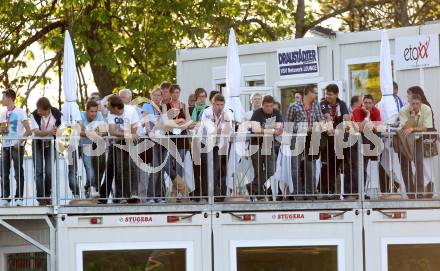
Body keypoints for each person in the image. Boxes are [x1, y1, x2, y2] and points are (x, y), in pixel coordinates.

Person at [287, 85, 323, 198]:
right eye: (314, 93)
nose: (316, 95)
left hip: (312, 138)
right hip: (297, 138)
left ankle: (310, 192)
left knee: (310, 166)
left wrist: (321, 126)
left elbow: (320, 119)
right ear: (307, 93)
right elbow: (288, 125)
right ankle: (298, 193)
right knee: (295, 167)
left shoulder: (316, 105)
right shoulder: (293, 106)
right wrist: (302, 129)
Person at [398, 90, 434, 198]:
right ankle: (410, 192)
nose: (415, 106)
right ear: (409, 103)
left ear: (421, 103)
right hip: (404, 139)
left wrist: (413, 128)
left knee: (419, 162)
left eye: (417, 104)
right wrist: (412, 116)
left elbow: (426, 128)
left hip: (418, 138)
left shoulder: (426, 109)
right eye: (412, 104)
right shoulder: (403, 110)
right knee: (405, 165)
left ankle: (419, 191)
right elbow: (405, 128)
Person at [0, 89, 31, 207]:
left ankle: (19, 198)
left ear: (9, 98)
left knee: (18, 172)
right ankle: (5, 197)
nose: (2, 100)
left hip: (16, 147)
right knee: (4, 173)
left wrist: (20, 142)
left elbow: (28, 131)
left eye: (3, 97)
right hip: (5, 146)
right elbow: (1, 130)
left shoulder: (20, 112)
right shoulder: (3, 114)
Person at [107, 95, 140, 203]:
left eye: (109, 107)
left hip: (131, 142)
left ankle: (134, 194)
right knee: (120, 168)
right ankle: (121, 196)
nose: (108, 108)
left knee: (132, 166)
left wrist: (124, 134)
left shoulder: (131, 111)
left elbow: (134, 132)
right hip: (118, 142)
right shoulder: (111, 113)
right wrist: (127, 134)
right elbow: (112, 132)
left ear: (115, 107)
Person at [162, 84, 193, 202]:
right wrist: (180, 120)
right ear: (170, 93)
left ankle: (175, 195)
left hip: (182, 139)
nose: (176, 94)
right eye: (174, 92)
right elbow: (166, 123)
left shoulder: (184, 106)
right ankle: (183, 189)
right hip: (169, 139)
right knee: (166, 164)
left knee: (180, 167)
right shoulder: (166, 106)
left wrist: (180, 123)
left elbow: (189, 122)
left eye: (178, 92)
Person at [249, 95, 283, 199]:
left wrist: (264, 130)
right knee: (258, 170)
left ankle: (252, 186)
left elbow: (279, 130)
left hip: (269, 144)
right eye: (267, 106)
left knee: (271, 169)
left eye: (271, 106)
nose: (269, 108)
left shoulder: (276, 112)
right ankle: (259, 195)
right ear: (262, 106)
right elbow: (256, 130)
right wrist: (272, 130)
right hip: (256, 144)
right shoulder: (257, 113)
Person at [200, 94, 233, 199]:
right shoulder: (207, 112)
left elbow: (228, 130)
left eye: (222, 104)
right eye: (217, 104)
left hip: (220, 144)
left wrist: (224, 127)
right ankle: (208, 196)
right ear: (212, 104)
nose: (220, 107)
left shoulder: (227, 111)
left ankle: (217, 194)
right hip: (206, 143)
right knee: (209, 169)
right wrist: (221, 130)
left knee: (220, 169)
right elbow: (211, 130)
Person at [319, 84, 350, 196]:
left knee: (337, 165)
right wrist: (332, 129)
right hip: (326, 140)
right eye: (326, 94)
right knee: (327, 165)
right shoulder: (323, 103)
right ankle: (325, 190)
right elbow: (327, 117)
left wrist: (345, 126)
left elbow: (346, 118)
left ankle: (336, 191)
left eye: (330, 94)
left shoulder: (342, 104)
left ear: (336, 94)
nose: (328, 96)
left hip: (338, 139)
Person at [31, 97, 62, 206]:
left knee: (49, 171)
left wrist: (58, 132)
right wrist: (49, 132)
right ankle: (41, 198)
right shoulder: (34, 114)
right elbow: (37, 132)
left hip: (51, 144)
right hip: (37, 143)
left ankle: (47, 195)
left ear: (47, 109)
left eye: (40, 109)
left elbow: (62, 131)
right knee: (38, 171)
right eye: (37, 109)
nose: (38, 111)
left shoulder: (57, 114)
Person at [350, 94, 382, 198]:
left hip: (367, 143)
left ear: (373, 104)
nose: (367, 105)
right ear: (362, 103)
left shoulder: (376, 111)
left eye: (370, 103)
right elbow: (359, 128)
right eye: (365, 103)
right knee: (357, 168)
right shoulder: (356, 111)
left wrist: (367, 126)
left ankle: (361, 193)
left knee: (363, 167)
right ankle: (357, 193)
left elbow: (378, 128)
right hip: (355, 143)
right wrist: (367, 116)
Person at [141, 88, 165, 203]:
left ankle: (158, 196)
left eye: (159, 95)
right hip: (151, 140)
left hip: (161, 140)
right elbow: (146, 121)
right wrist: (149, 131)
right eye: (154, 95)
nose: (157, 97)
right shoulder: (147, 106)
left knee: (160, 169)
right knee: (155, 168)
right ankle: (150, 196)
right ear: (151, 96)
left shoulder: (162, 108)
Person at [80, 100, 106, 199]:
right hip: (84, 145)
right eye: (91, 111)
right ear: (86, 111)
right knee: (89, 168)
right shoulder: (81, 116)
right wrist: (92, 133)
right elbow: (79, 132)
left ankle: (89, 186)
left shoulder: (99, 115)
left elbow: (103, 132)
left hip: (97, 145)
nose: (94, 114)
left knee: (100, 168)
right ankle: (92, 188)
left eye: (95, 111)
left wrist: (99, 133)